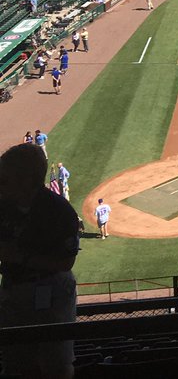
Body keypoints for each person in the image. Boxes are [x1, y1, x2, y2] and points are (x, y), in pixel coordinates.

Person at [0, 143, 81, 379]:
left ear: (26, 180)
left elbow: (66, 263)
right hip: (13, 290)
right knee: (15, 363)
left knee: (57, 364)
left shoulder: (59, 211)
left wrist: (19, 257)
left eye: (5, 178)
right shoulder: (3, 205)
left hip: (53, 291)